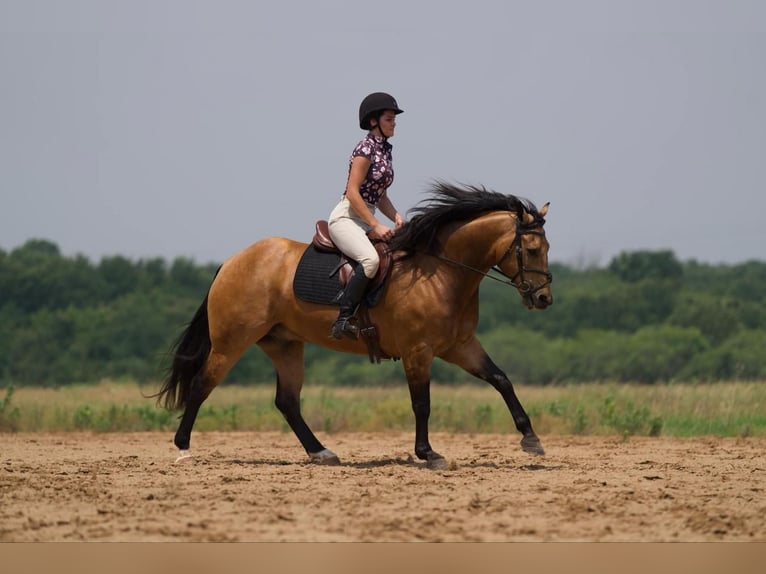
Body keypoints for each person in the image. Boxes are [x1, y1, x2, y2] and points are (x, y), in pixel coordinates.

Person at [327, 92, 405, 339]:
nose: (394, 123)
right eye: (390, 118)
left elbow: (379, 196)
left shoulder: (385, 151)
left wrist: (395, 216)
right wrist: (376, 224)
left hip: (364, 217)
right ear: (374, 121)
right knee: (370, 260)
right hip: (346, 218)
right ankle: (342, 319)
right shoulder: (365, 148)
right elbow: (352, 192)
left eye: (394, 119)